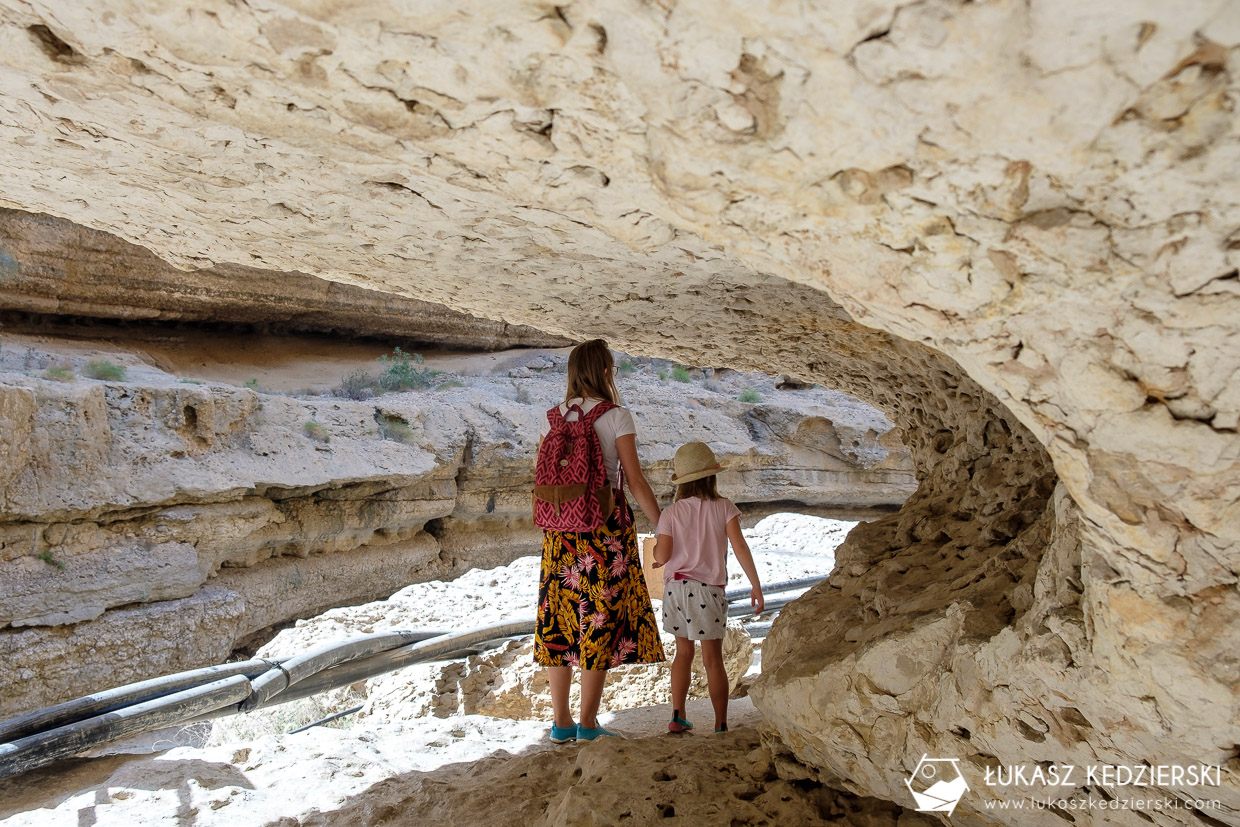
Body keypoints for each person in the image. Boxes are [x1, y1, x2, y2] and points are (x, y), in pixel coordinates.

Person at [534, 339, 665, 742]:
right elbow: (635, 480)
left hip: (559, 534)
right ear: (605, 372)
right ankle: (588, 725)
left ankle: (561, 723)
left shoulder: (552, 418)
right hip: (603, 533)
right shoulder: (616, 417)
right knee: (597, 620)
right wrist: (663, 528)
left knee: (560, 618)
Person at [653, 441, 763, 734]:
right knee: (713, 660)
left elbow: (661, 555)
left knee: (683, 654)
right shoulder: (724, 507)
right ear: (712, 476)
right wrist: (755, 585)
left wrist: (656, 556)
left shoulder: (671, 513)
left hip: (676, 590)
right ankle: (720, 723)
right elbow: (739, 546)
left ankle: (677, 715)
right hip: (709, 591)